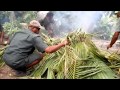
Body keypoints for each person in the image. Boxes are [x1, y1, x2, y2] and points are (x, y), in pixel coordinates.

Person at [2, 20, 69, 76]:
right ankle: (20, 70)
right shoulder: (34, 37)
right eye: (38, 29)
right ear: (34, 28)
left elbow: (10, 42)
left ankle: (18, 65)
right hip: (15, 63)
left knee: (29, 52)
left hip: (6, 58)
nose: (39, 31)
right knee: (40, 56)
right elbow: (48, 50)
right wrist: (62, 44)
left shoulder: (19, 32)